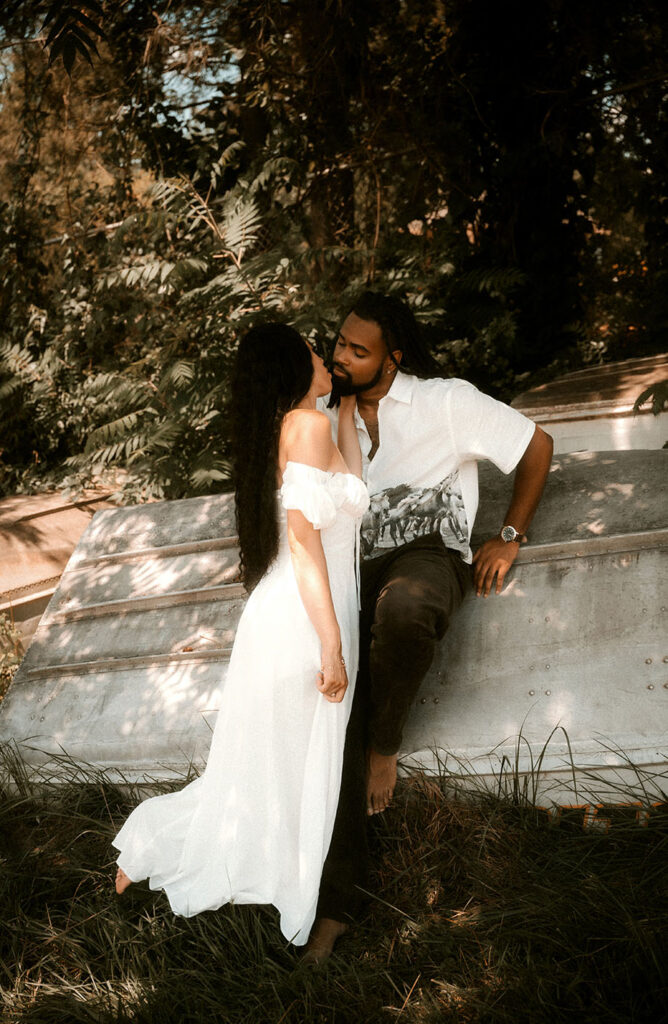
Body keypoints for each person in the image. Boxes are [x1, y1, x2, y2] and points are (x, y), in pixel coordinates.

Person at [306, 291, 554, 960]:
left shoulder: (446, 401)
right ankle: (332, 913)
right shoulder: (327, 415)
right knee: (331, 718)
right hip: (351, 570)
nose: (341, 357)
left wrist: (509, 535)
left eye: (358, 350)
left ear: (395, 357)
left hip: (426, 558)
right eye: (339, 345)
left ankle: (388, 747)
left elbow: (537, 445)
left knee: (407, 610)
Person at [112, 322, 368, 948]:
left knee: (272, 770)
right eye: (313, 350)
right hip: (306, 621)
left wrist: (349, 408)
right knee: (280, 771)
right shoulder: (303, 428)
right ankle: (156, 848)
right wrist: (331, 644)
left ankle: (177, 857)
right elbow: (306, 545)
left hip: (303, 613)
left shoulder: (305, 424)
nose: (324, 357)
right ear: (291, 364)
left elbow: (350, 491)